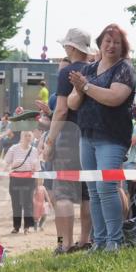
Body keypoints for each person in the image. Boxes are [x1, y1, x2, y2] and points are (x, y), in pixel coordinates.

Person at [67, 23, 136, 252]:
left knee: (107, 186)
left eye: (117, 42)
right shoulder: (88, 69)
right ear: (100, 43)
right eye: (107, 41)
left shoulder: (124, 69)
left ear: (123, 47)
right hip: (86, 134)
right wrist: (79, 89)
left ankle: (114, 241)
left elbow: (115, 97)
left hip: (112, 136)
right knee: (94, 190)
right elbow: (71, 103)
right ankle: (99, 240)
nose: (111, 45)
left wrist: (85, 87)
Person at [44, 28, 94, 253]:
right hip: (91, 136)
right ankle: (86, 240)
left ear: (71, 48)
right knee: (87, 193)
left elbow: (61, 110)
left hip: (68, 137)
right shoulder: (95, 70)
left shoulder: (67, 73)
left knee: (63, 192)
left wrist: (50, 141)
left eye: (65, 46)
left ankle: (64, 243)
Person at [3, 131, 40, 234]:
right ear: (21, 137)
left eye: (29, 136)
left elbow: (37, 169)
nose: (27, 138)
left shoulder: (34, 150)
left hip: (29, 179)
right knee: (16, 203)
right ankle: (16, 226)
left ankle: (27, 227)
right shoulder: (13, 148)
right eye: (25, 135)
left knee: (27, 203)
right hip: (15, 178)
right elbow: (6, 161)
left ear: (32, 138)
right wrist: (2, 171)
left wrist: (39, 185)